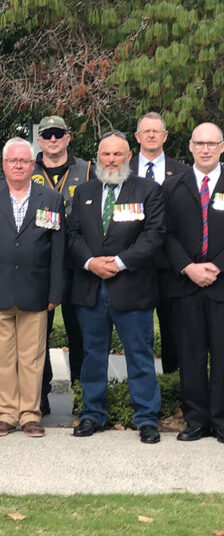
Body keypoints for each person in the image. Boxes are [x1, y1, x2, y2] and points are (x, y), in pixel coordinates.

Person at [68, 131, 165, 444]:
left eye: (117, 155)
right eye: (106, 155)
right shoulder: (84, 191)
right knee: (92, 356)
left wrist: (120, 262)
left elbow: (154, 235)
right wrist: (91, 263)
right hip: (91, 288)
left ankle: (147, 419)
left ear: (128, 157)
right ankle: (91, 414)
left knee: (139, 355)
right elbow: (72, 236)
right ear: (98, 157)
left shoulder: (148, 190)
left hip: (132, 287)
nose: (111, 161)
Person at [0, 138, 65, 438]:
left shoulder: (50, 199)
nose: (18, 165)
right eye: (12, 161)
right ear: (3, 164)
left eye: (24, 161)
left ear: (32, 164)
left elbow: (58, 251)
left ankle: (30, 415)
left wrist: (54, 292)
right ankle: (6, 413)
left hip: (35, 290)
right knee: (0, 357)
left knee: (32, 357)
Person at [162, 123, 224, 442]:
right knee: (191, 355)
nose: (205, 149)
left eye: (212, 143)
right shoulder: (174, 186)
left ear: (222, 147)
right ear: (189, 146)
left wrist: (217, 265)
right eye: (200, 143)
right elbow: (166, 234)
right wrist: (187, 267)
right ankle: (196, 420)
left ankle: (221, 421)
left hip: (221, 284)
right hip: (186, 285)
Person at [32, 114, 93, 411]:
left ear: (68, 137)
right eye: (47, 135)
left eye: (58, 134)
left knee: (80, 334)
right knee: (37, 337)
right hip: (39, 266)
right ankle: (39, 398)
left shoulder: (87, 170)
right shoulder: (25, 170)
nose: (53, 140)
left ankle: (83, 400)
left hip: (77, 265)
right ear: (39, 140)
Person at [131, 112, 188, 376]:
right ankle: (137, 392)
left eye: (157, 131)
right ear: (137, 137)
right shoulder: (123, 168)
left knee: (174, 330)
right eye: (146, 131)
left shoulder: (184, 172)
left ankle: (173, 386)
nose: (151, 135)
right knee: (135, 333)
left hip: (171, 265)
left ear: (165, 136)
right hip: (132, 264)